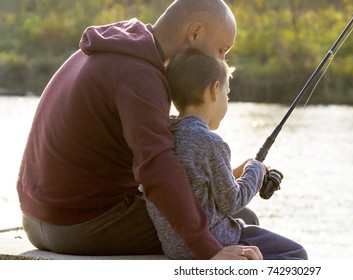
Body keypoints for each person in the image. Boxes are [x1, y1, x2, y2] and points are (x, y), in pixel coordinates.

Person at [16, 0, 261, 260]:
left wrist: (226, 176)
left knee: (218, 215)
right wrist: (209, 250)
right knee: (240, 219)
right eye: (222, 50)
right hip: (76, 224)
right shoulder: (139, 75)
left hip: (37, 216)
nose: (222, 61)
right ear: (195, 33)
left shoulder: (119, 48)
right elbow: (157, 169)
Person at [146, 47, 308, 260]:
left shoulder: (165, 136)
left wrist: (242, 169)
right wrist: (256, 170)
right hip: (219, 241)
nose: (226, 100)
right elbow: (231, 201)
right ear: (214, 90)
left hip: (177, 248)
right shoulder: (210, 142)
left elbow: (199, 185)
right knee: (296, 254)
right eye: (227, 93)